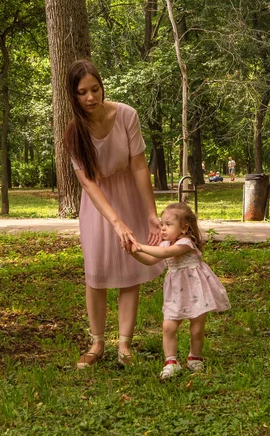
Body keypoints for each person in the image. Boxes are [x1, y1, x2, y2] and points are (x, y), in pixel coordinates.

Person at [63, 59, 164, 369]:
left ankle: (124, 345)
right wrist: (116, 222)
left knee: (128, 270)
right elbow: (88, 183)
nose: (91, 97)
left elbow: (138, 165)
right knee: (96, 273)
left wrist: (150, 213)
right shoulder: (73, 132)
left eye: (95, 89)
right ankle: (96, 343)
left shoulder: (126, 115)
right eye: (83, 92)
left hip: (129, 195)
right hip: (98, 204)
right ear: (74, 96)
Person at [130, 202, 231, 379]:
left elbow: (164, 254)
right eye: (162, 224)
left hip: (196, 290)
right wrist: (133, 252)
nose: (162, 229)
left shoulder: (186, 242)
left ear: (184, 228)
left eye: (168, 225)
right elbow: (149, 260)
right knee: (168, 327)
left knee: (197, 328)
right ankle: (171, 362)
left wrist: (139, 245)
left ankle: (195, 359)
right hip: (176, 291)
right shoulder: (165, 244)